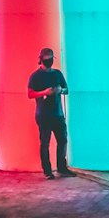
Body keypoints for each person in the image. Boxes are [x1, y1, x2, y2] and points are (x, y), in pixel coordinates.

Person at [27, 47, 76, 178]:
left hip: (58, 113)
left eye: (51, 58)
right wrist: (44, 92)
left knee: (63, 140)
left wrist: (60, 90)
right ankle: (47, 171)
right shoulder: (36, 76)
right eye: (47, 58)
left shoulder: (57, 74)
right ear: (41, 59)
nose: (49, 60)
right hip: (43, 115)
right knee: (45, 143)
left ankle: (61, 167)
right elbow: (30, 93)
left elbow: (66, 90)